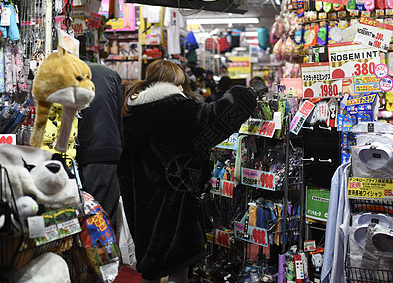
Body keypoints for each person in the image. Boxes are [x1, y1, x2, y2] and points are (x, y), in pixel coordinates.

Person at [117, 60, 267, 283]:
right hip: (175, 198)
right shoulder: (177, 108)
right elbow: (214, 117)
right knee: (179, 261)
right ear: (175, 82)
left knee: (151, 261)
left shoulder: (131, 110)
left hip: (141, 198)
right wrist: (246, 93)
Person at [77, 57, 123, 230]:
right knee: (102, 214)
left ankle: (82, 256)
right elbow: (121, 113)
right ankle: (104, 255)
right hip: (107, 151)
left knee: (78, 214)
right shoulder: (109, 73)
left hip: (78, 151)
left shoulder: (63, 73)